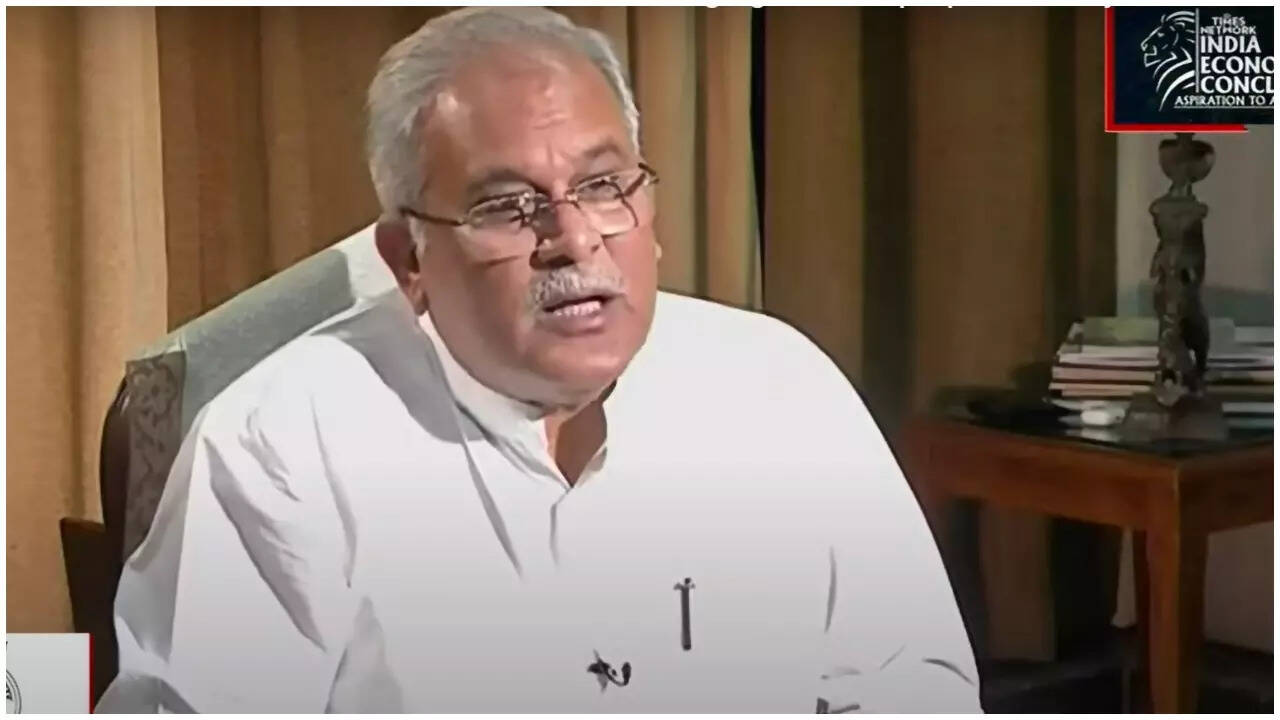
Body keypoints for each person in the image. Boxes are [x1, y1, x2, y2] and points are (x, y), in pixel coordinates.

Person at [99, 7, 979, 713]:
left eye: (603, 186)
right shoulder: (280, 448)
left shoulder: (781, 389)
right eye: (508, 206)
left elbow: (915, 684)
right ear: (409, 261)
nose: (574, 238)